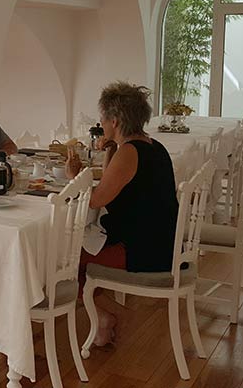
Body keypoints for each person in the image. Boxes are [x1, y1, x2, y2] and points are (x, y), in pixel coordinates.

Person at [65, 81, 178, 347]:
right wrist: (110, 149)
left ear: (114, 121)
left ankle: (111, 315)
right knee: (75, 253)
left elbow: (95, 200)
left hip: (142, 251)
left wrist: (74, 178)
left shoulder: (129, 153)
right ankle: (104, 318)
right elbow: (113, 183)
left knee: (63, 258)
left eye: (102, 119)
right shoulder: (152, 146)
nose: (101, 124)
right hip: (162, 243)